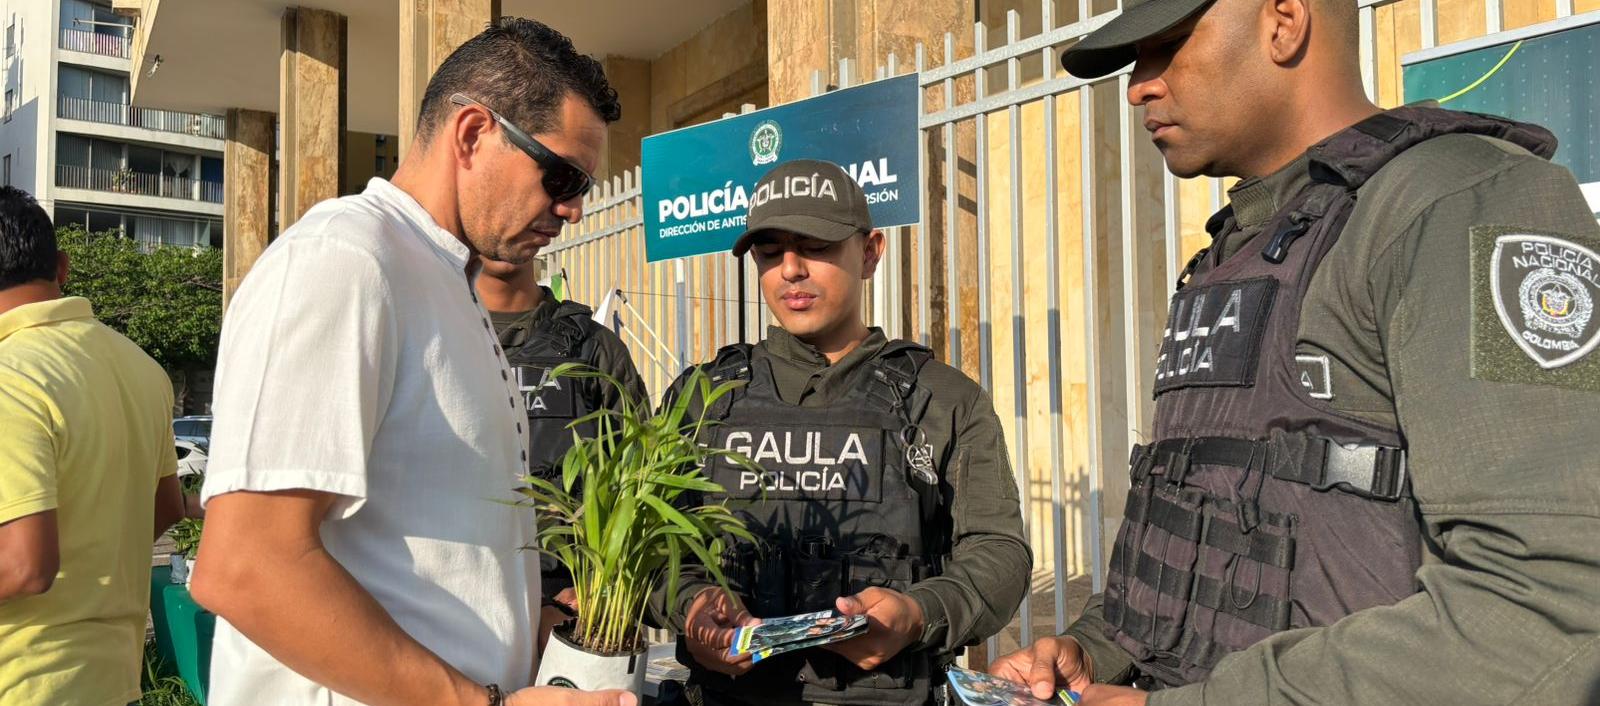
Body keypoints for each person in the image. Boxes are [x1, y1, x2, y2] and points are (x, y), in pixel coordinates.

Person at [990, 0, 1600, 704]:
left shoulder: (1455, 202)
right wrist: (1098, 651)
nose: (1139, 85)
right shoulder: (1236, 253)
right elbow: (1211, 526)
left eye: (1168, 46)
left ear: (1284, 21)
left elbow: (1552, 608)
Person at [192, 19, 634, 706]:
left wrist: (528, 624)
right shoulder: (344, 262)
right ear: (472, 133)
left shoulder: (441, 280)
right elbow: (246, 565)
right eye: (561, 176)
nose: (572, 210)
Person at [652, 159, 1033, 706]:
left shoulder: (943, 399)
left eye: (816, 245)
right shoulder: (702, 397)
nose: (790, 270)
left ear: (871, 252)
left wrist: (919, 613)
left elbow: (1000, 554)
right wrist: (690, 603)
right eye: (769, 251)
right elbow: (647, 550)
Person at [0, 186, 185, 705]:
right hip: (112, 681)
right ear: (62, 266)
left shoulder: (9, 376)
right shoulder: (143, 370)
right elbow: (166, 507)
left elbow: (24, 564)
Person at [475, 255, 649, 612]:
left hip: (572, 602)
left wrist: (601, 590)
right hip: (453, 600)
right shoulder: (427, 334)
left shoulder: (594, 348)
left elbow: (643, 480)